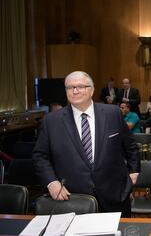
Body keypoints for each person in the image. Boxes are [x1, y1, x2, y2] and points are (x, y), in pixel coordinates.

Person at [32, 71, 140, 217]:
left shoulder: (113, 113)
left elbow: (130, 146)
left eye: (81, 86)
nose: (75, 91)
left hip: (115, 195)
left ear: (92, 90)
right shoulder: (51, 121)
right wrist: (52, 182)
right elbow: (40, 156)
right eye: (70, 87)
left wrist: (134, 171)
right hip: (72, 200)